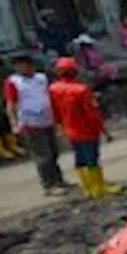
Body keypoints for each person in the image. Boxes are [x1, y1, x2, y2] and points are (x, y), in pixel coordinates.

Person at [50, 57, 121, 198]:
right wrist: (104, 131)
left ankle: (87, 188)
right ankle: (98, 188)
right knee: (92, 159)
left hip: (70, 129)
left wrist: (59, 127)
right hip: (87, 130)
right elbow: (92, 113)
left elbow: (54, 111)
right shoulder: (81, 90)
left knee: (80, 158)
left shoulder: (54, 89)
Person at [3, 53, 70, 196]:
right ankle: (49, 185)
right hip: (30, 122)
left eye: (23, 64)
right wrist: (14, 123)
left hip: (47, 119)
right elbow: (11, 104)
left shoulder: (41, 78)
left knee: (53, 151)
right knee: (42, 154)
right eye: (17, 65)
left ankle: (58, 179)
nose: (21, 68)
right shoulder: (13, 82)